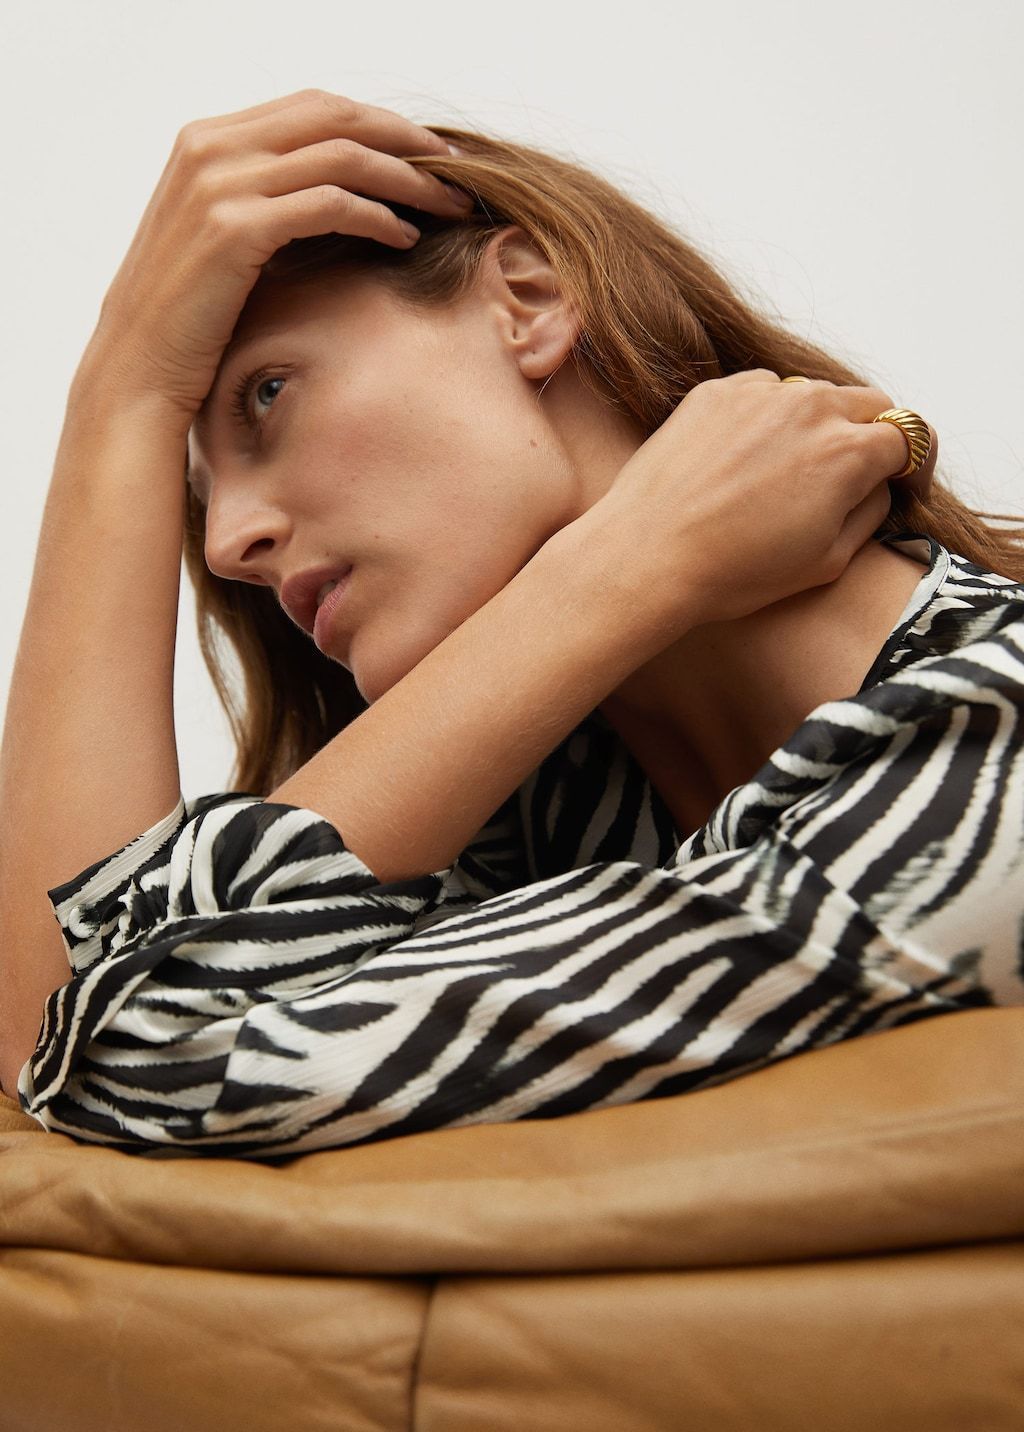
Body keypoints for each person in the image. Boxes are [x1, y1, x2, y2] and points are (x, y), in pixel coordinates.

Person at [2, 90, 1022, 1161]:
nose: (227, 547)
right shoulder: (533, 835)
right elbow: (57, 1034)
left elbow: (125, 1054)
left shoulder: (984, 750)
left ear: (527, 300)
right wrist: (118, 396)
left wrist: (632, 565)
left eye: (265, 394)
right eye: (202, 502)